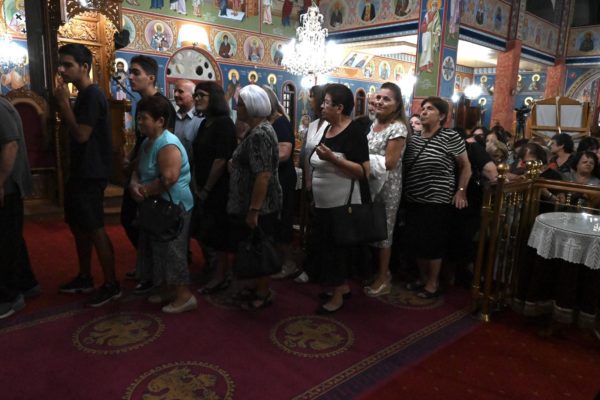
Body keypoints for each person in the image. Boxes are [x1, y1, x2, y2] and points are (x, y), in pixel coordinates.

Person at [54, 44, 119, 307]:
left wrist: (63, 106)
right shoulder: (83, 95)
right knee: (79, 226)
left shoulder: (92, 95)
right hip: (80, 170)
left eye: (68, 64)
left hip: (91, 173)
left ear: (84, 67)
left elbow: (82, 134)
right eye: (61, 64)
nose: (62, 69)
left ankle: (112, 284)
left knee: (94, 227)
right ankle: (85, 276)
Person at [129, 95, 196, 313]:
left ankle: (184, 296)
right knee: (158, 250)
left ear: (160, 121)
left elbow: (169, 178)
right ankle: (168, 289)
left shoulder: (168, 144)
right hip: (156, 206)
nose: (139, 122)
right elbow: (138, 169)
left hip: (173, 207)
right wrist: (134, 184)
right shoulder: (148, 141)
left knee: (172, 251)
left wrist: (144, 191)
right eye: (139, 118)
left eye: (144, 118)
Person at [307, 84, 370, 314]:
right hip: (323, 202)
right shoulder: (327, 128)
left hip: (342, 203)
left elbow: (364, 171)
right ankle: (340, 287)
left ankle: (337, 297)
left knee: (337, 250)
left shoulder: (354, 132)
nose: (321, 106)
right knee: (326, 246)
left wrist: (334, 159)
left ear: (339, 107)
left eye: (326, 103)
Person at [402, 97, 471, 299]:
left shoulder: (450, 136)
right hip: (413, 198)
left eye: (430, 109)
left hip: (437, 200)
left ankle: (433, 283)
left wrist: (461, 191)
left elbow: (465, 166)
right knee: (416, 241)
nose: (423, 112)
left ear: (441, 116)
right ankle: (423, 278)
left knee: (433, 243)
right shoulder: (413, 138)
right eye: (423, 108)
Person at [122, 55, 176, 293]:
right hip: (139, 171)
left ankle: (153, 271)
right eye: (130, 72)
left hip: (153, 175)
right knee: (132, 220)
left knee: (150, 224)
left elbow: (162, 144)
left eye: (136, 73)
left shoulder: (162, 105)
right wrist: (131, 159)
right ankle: (146, 266)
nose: (130, 77)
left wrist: (136, 164)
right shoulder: (142, 104)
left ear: (151, 78)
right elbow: (142, 140)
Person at [228, 85, 282, 310]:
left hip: (262, 205)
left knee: (260, 246)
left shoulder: (260, 133)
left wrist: (254, 210)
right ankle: (256, 286)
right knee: (254, 243)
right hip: (256, 202)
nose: (237, 107)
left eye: (241, 104)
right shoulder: (258, 129)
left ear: (252, 107)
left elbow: (263, 174)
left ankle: (263, 292)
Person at [192, 82, 237, 294]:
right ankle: (218, 272)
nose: (197, 99)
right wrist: (196, 184)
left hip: (218, 188)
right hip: (203, 187)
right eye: (196, 95)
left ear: (214, 98)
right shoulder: (205, 123)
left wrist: (207, 189)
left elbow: (221, 159)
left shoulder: (224, 124)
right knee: (208, 232)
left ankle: (221, 276)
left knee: (219, 234)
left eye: (202, 95)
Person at [363, 83, 408, 297]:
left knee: (384, 232)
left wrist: (361, 161)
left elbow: (390, 162)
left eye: (386, 99)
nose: (380, 102)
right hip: (370, 181)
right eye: (379, 97)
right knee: (371, 227)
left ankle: (383, 277)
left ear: (397, 105)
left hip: (388, 185)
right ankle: (376, 271)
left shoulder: (397, 127)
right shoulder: (374, 124)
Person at [0, 97, 38, 319]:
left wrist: (0, 181)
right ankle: (27, 283)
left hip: (8, 187)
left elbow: (10, 145)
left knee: (4, 241)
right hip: (7, 186)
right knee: (11, 236)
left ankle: (9, 297)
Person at [262, 85, 298, 279]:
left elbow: (284, 153)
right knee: (271, 222)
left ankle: (288, 262)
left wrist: (258, 155)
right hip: (271, 178)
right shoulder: (266, 122)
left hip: (282, 179)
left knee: (282, 220)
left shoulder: (280, 122)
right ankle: (273, 260)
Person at [295, 84, 329, 284]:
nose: (309, 100)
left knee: (322, 229)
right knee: (312, 226)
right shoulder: (314, 124)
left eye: (312, 96)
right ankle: (310, 265)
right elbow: (305, 154)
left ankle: (321, 268)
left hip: (326, 183)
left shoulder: (331, 126)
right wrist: (307, 180)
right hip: (310, 182)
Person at [173, 80, 203, 159]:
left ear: (193, 96)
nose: (175, 95)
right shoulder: (172, 118)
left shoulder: (201, 119)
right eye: (175, 91)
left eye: (180, 91)